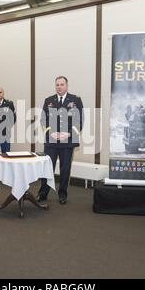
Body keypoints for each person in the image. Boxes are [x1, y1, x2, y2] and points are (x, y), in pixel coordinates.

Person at [37, 76, 84, 205]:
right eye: (57, 84)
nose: (59, 87)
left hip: (67, 141)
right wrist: (51, 133)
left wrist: (68, 134)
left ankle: (62, 194)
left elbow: (80, 121)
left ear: (67, 85)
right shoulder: (49, 101)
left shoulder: (75, 100)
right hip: (51, 141)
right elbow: (43, 120)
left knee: (65, 169)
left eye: (62, 84)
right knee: (47, 168)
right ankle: (43, 193)